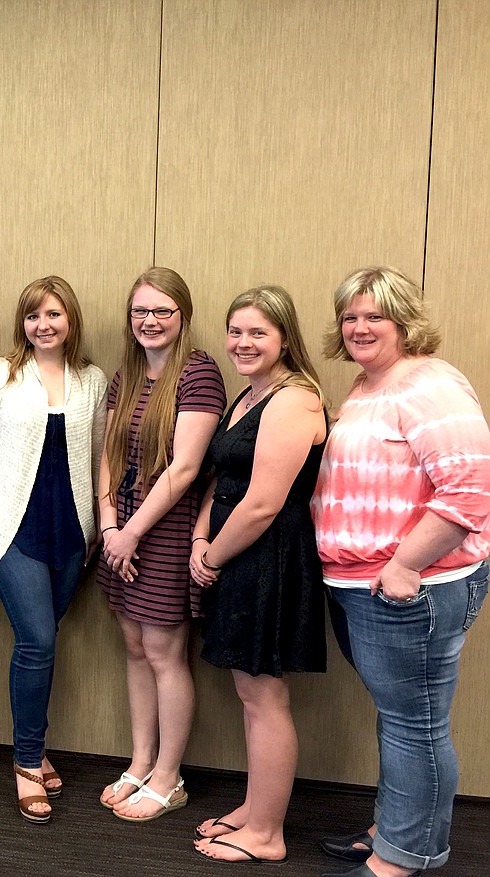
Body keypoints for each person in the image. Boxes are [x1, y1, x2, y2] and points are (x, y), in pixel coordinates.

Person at [311, 267, 490, 877]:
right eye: (350, 316)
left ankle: (402, 858)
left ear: (404, 321)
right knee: (400, 718)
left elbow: (470, 490)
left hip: (412, 589)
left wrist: (406, 564)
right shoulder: (369, 385)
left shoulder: (429, 385)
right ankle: (394, 830)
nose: (359, 327)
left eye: (374, 316)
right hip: (361, 584)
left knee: (416, 724)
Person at [0, 276, 107, 823]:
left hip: (71, 531)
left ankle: (35, 747)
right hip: (8, 528)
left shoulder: (90, 380)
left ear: (71, 321)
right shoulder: (1, 373)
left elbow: (96, 461)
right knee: (37, 641)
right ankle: (25, 762)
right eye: (33, 316)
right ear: (22, 323)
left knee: (47, 638)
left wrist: (98, 527)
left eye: (54, 315)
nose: (43, 325)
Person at [188, 286, 328, 865]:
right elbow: (224, 479)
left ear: (285, 339)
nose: (242, 343)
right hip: (236, 552)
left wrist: (212, 556)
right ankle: (255, 807)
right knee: (249, 690)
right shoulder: (250, 394)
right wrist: (201, 537)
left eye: (258, 333)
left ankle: (267, 834)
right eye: (236, 331)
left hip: (269, 558)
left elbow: (264, 503)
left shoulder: (295, 400)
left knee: (265, 695)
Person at [96, 266, 226, 822]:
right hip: (119, 531)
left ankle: (170, 777)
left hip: (165, 532)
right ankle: (141, 759)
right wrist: (107, 526)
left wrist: (130, 533)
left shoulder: (198, 373)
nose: (149, 321)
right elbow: (108, 455)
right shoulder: (124, 376)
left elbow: (186, 467)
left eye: (161, 311)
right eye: (140, 311)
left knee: (166, 654)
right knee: (133, 648)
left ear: (182, 316)